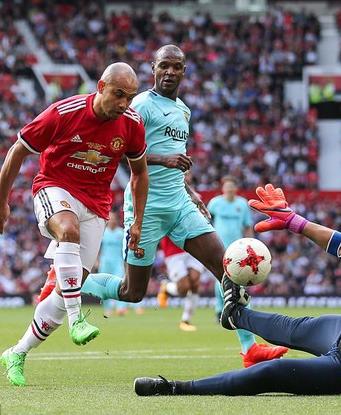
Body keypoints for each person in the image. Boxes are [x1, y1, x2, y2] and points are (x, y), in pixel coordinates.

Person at [77, 45, 288, 367]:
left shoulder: (184, 111)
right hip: (145, 209)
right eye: (164, 65)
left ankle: (249, 348)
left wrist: (191, 192)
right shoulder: (141, 106)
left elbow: (175, 162)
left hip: (179, 205)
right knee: (133, 292)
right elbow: (117, 150)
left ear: (184, 71)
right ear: (153, 68)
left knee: (229, 270)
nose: (170, 72)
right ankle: (69, 281)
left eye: (177, 66)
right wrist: (164, 159)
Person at [133, 184, 341, 397]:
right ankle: (234, 314)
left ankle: (175, 388)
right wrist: (294, 221)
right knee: (289, 326)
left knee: (272, 372)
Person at [0, 62, 149, 386]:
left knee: (66, 289)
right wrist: (0, 201)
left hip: (97, 205)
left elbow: (140, 172)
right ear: (101, 87)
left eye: (130, 98)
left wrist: (137, 221)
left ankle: (17, 352)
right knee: (68, 230)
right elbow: (18, 150)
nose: (124, 104)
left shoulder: (131, 124)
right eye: (119, 95)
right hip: (54, 186)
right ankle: (78, 321)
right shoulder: (64, 112)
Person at [207, 176, 276, 365]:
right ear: (223, 188)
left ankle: (240, 327)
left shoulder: (241, 204)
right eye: (226, 186)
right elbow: (208, 223)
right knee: (220, 280)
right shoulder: (215, 203)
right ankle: (220, 310)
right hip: (219, 247)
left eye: (232, 186)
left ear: (236, 188)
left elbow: (247, 226)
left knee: (234, 281)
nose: (229, 189)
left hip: (238, 249)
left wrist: (251, 244)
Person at [100, 211, 144, 317]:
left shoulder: (121, 233)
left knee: (121, 285)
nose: (112, 221)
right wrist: (96, 261)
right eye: (110, 218)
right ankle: (107, 308)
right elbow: (98, 248)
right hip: (105, 262)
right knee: (104, 286)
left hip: (118, 262)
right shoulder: (103, 232)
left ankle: (121, 308)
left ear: (117, 220)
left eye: (114, 218)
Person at [157, 236, 203, 331]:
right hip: (173, 250)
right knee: (184, 288)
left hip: (192, 245)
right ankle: (166, 287)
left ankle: (185, 320)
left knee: (195, 282)